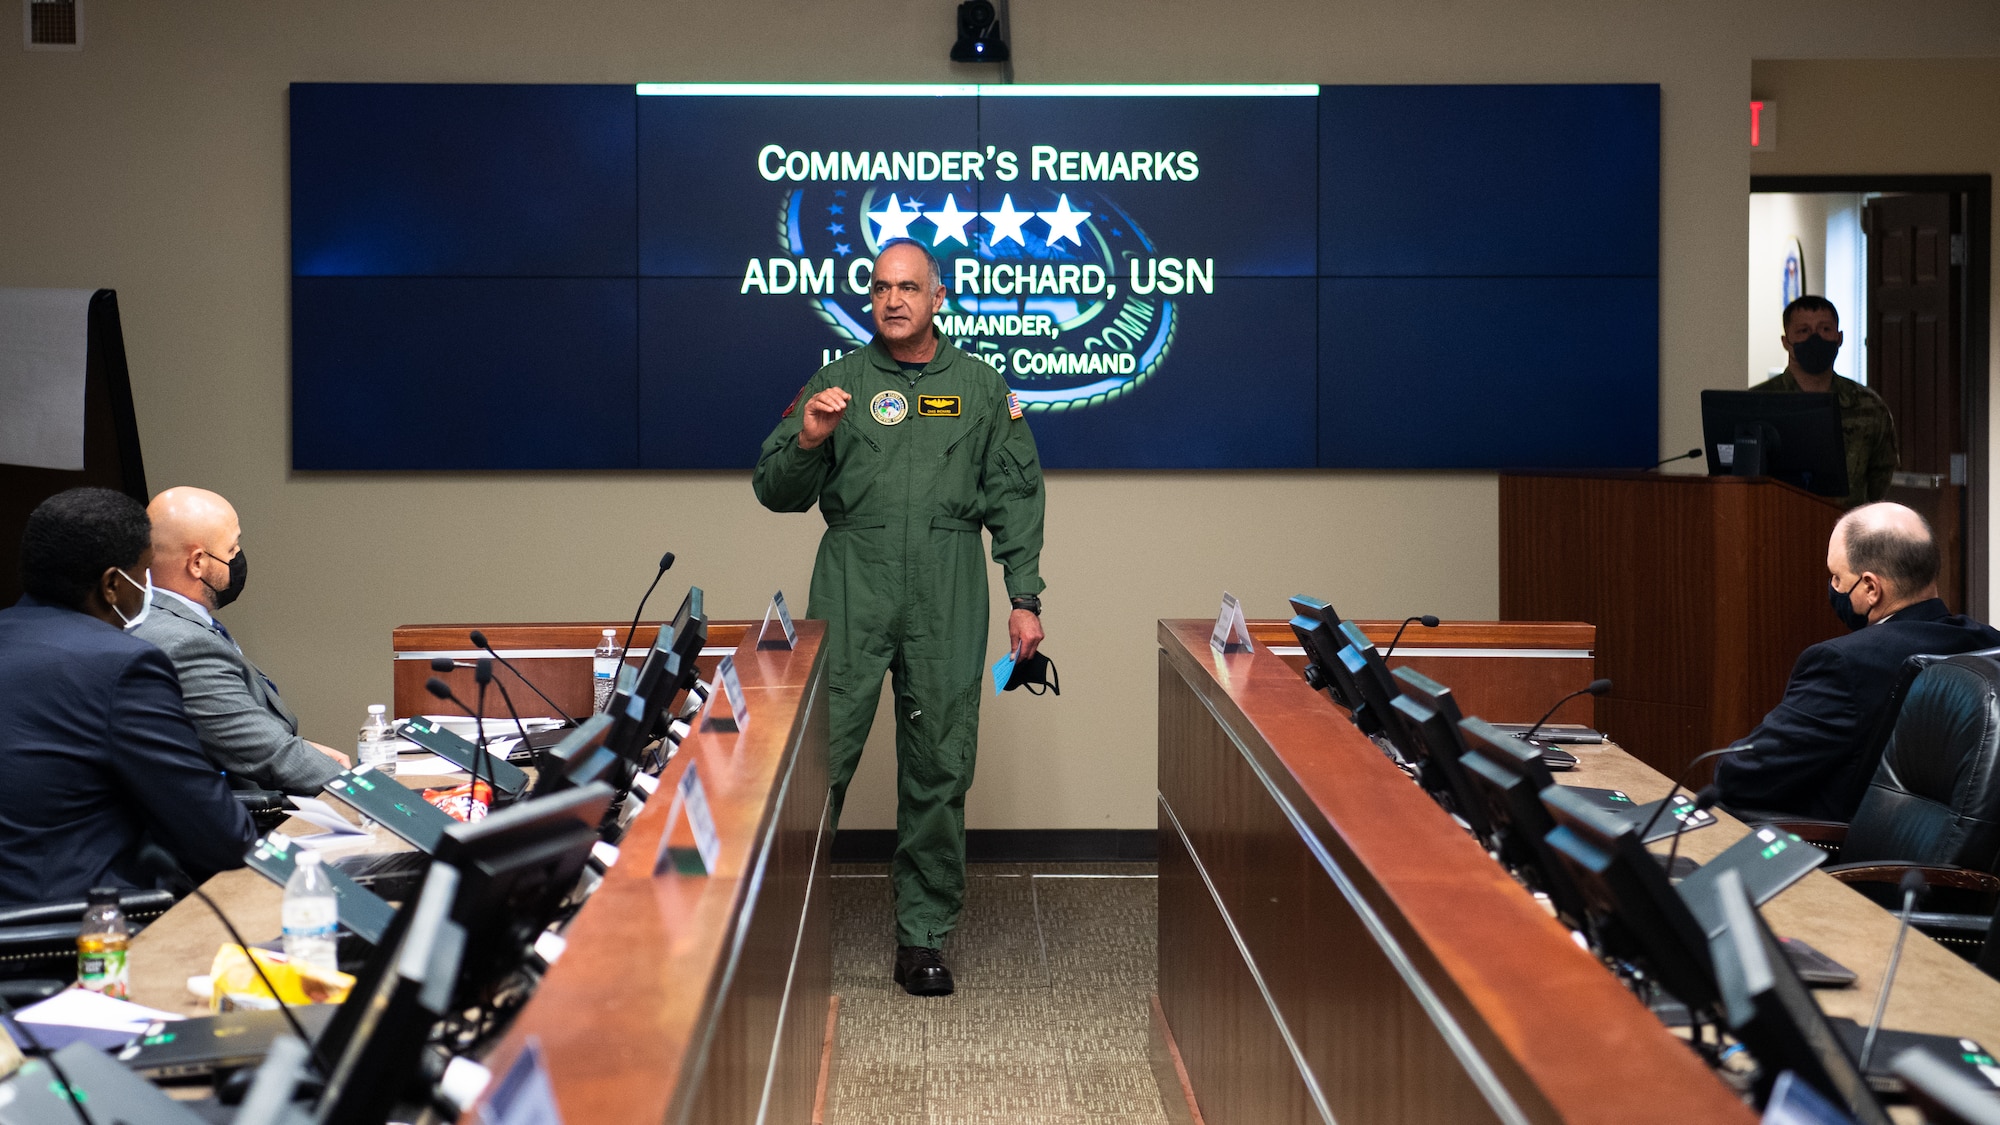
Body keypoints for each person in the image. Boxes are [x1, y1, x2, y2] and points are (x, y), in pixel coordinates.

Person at [753, 239, 1047, 996]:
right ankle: (778, 931)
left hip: (948, 582)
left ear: (938, 297)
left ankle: (922, 937)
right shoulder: (839, 382)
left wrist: (1024, 596)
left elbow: (1015, 496)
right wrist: (811, 438)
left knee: (940, 761)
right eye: (881, 287)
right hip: (856, 575)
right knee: (820, 756)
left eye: (908, 287)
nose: (892, 300)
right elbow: (774, 487)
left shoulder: (981, 388)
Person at [0, 488, 255, 907]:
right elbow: (222, 838)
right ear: (113, 586)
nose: (147, 591)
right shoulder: (125, 666)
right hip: (78, 934)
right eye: (144, 574)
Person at [1716, 502, 1999, 820]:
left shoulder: (1842, 664)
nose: (1833, 587)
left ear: (1870, 587)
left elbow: (1744, 775)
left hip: (1833, 853)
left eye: (1837, 577)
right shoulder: (1990, 643)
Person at [133, 487, 349, 795]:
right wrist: (366, 788)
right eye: (232, 549)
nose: (238, 558)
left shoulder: (172, 619)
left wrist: (301, 752)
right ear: (197, 563)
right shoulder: (181, 644)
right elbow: (267, 754)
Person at [1751, 295, 1898, 509]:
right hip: (1775, 529)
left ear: (1839, 338)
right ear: (1786, 342)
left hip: (1846, 531)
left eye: (1825, 329)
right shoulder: (1757, 403)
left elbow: (1881, 482)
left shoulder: (1869, 406)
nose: (1815, 338)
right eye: (1804, 331)